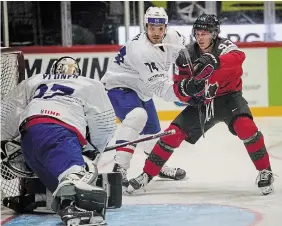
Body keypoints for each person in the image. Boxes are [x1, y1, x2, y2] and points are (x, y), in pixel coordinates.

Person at [128, 14, 275, 196]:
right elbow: (178, 87)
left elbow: (240, 57)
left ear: (214, 34)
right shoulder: (186, 55)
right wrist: (188, 92)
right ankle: (146, 174)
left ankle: (265, 170)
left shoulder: (224, 46)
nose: (200, 37)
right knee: (171, 134)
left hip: (230, 99)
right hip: (203, 103)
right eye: (197, 33)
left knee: (246, 127)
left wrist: (215, 61)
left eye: (205, 33)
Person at [1, 56, 117, 225]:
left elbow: (8, 110)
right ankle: (77, 208)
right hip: (59, 133)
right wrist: (94, 149)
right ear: (77, 71)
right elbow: (105, 123)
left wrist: (4, 140)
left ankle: (59, 204)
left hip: (29, 138)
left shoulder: (36, 80)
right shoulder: (89, 84)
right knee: (76, 174)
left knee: (59, 183)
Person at [101, 6, 195, 191]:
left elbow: (188, 56)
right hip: (119, 86)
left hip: (142, 90)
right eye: (152, 28)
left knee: (152, 134)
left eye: (160, 28)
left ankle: (157, 166)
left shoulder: (175, 37)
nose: (156, 33)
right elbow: (160, 87)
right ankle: (119, 170)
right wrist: (189, 95)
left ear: (165, 27)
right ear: (145, 26)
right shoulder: (141, 50)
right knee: (137, 115)